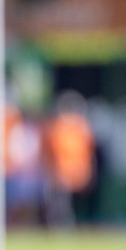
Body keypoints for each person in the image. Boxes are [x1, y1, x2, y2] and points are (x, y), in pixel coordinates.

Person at [41, 91, 95, 227]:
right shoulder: (58, 127)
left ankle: (69, 223)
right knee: (60, 202)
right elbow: (51, 151)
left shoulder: (80, 127)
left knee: (70, 202)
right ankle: (61, 224)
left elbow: (88, 150)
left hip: (74, 172)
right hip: (62, 172)